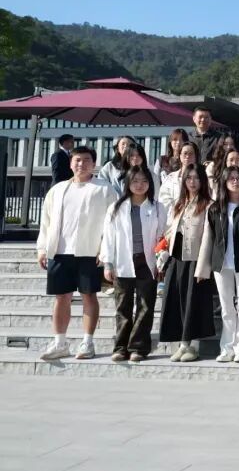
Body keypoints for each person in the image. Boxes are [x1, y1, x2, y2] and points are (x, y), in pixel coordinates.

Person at [36, 146, 119, 361]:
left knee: (88, 295)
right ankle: (60, 342)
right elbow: (46, 222)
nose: (81, 164)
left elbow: (112, 223)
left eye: (86, 160)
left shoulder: (104, 189)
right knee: (61, 297)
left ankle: (87, 342)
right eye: (77, 160)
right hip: (60, 251)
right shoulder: (58, 189)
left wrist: (105, 250)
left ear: (94, 163)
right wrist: (42, 248)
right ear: (71, 163)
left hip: (90, 251)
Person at [197, 165, 239, 363]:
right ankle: (227, 347)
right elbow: (210, 238)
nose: (236, 181)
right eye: (231, 178)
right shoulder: (215, 208)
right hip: (222, 264)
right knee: (227, 308)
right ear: (224, 182)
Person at [101, 165, 164, 363]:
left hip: (147, 263)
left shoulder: (157, 208)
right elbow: (109, 237)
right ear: (128, 183)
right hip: (123, 263)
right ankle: (120, 347)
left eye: (144, 181)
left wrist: (161, 262)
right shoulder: (117, 208)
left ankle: (138, 347)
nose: (139, 185)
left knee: (145, 306)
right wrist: (108, 263)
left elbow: (162, 236)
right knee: (123, 307)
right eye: (135, 181)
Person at [160, 163, 216, 362]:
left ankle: (192, 346)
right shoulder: (179, 203)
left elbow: (208, 237)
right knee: (176, 301)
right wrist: (163, 252)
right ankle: (182, 344)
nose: (192, 182)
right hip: (177, 258)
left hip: (196, 260)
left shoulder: (209, 205)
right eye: (189, 178)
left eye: (197, 178)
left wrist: (203, 267)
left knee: (194, 303)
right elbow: (170, 230)